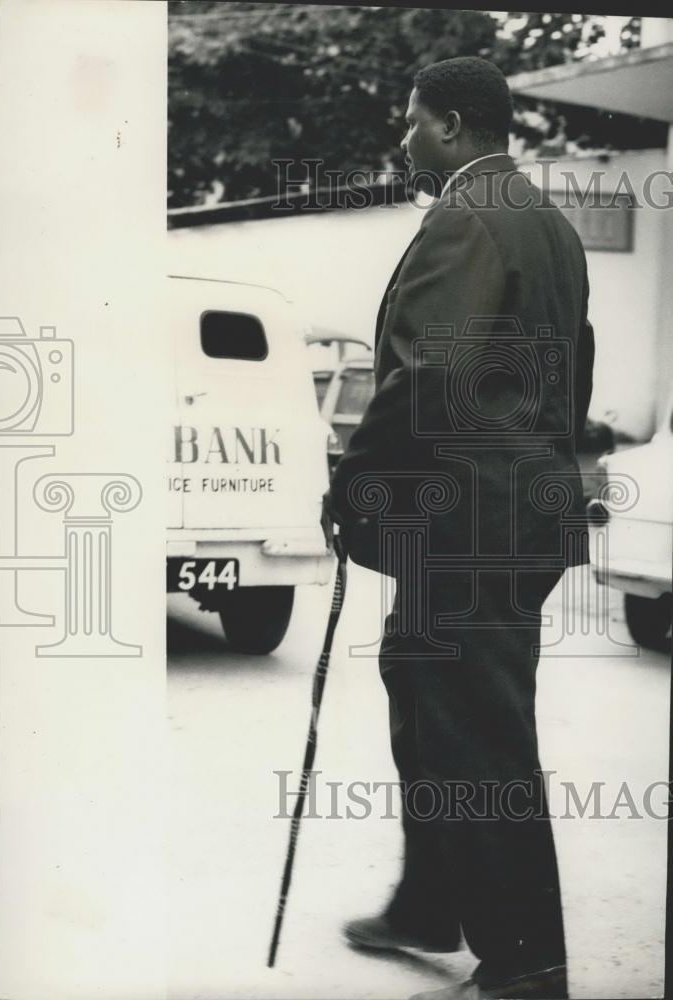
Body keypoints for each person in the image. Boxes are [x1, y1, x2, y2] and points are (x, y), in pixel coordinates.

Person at [323, 56, 594, 1000]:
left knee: (477, 736)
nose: (401, 138)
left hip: (472, 521)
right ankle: (429, 904)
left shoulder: (464, 217)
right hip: (511, 511)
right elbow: (570, 379)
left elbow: (428, 377)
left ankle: (528, 961)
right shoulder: (546, 223)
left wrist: (352, 483)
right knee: (423, 692)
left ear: (448, 126)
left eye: (409, 120)